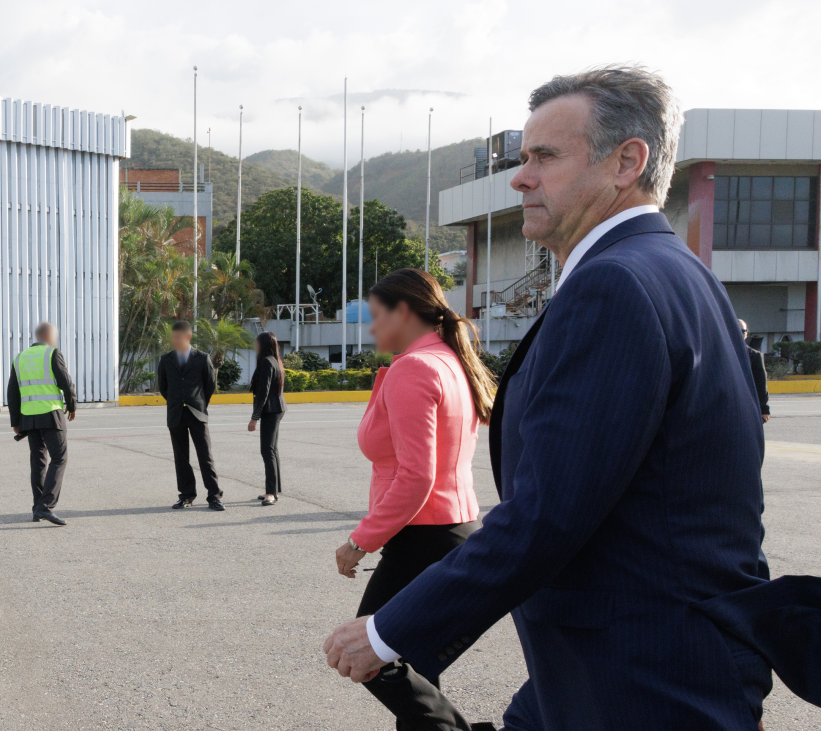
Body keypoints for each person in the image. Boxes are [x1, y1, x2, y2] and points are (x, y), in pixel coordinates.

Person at [325, 65, 821, 731]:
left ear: (627, 161)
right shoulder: (682, 274)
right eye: (523, 157)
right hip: (628, 660)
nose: (521, 176)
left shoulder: (615, 285)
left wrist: (389, 631)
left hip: (642, 678)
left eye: (544, 156)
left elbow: (548, 511)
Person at [333, 267, 497, 729]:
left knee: (368, 654)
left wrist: (359, 541)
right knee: (414, 663)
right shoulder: (447, 360)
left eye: (377, 315)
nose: (372, 327)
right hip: (452, 531)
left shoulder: (415, 369)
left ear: (403, 312)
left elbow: (415, 478)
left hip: (423, 537)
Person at [7, 322, 77, 526]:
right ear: (48, 336)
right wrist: (72, 405)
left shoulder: (19, 358)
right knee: (59, 459)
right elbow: (65, 381)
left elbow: (12, 392)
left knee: (38, 462)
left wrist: (16, 421)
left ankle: (37, 508)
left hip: (29, 417)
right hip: (50, 413)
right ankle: (46, 506)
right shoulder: (52, 353)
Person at [158, 320, 225, 511]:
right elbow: (164, 388)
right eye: (173, 337)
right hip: (176, 414)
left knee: (205, 455)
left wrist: (199, 404)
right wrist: (176, 401)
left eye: (179, 337)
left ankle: (214, 495)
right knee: (181, 458)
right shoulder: (166, 359)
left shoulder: (202, 358)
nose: (175, 340)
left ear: (188, 337)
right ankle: (186, 495)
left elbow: (209, 385)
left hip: (197, 413)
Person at [247, 332, 287, 506]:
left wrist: (254, 418)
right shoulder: (275, 360)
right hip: (277, 408)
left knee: (267, 450)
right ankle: (275, 489)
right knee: (272, 449)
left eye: (256, 343)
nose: (254, 346)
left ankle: (271, 492)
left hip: (271, 410)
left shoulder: (266, 362)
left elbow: (263, 392)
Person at [740, 319, 771, 423]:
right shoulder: (719, 354)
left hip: (747, 406)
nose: (740, 334)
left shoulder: (755, 356)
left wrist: (764, 408)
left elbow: (761, 384)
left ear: (746, 334)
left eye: (743, 331)